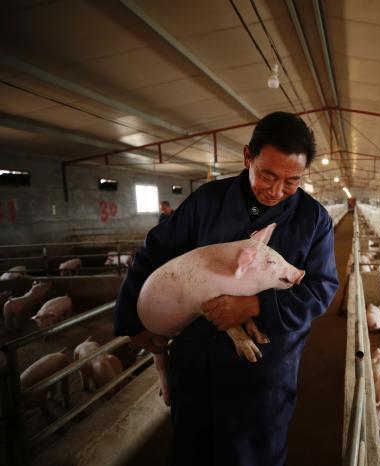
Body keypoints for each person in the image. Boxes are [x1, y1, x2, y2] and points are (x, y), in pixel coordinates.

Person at [114, 112, 339, 466]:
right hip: (197, 363)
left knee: (254, 457)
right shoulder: (207, 202)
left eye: (292, 181)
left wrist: (254, 305)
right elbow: (154, 253)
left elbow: (321, 289)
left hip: (265, 372)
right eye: (268, 175)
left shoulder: (314, 220)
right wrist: (133, 323)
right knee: (193, 451)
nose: (277, 190)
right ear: (248, 157)